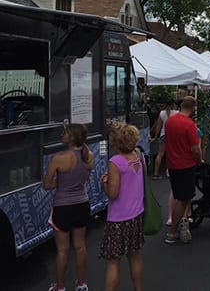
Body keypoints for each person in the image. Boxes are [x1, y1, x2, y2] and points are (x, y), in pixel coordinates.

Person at [44, 123, 93, 291]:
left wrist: (61, 182)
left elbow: (46, 185)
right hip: (82, 204)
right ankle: (81, 283)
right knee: (80, 246)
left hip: (62, 206)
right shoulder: (89, 156)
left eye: (65, 132)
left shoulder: (58, 158)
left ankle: (60, 286)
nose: (62, 134)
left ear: (71, 137)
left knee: (62, 250)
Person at [99, 122, 143, 291]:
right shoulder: (137, 156)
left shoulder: (115, 161)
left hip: (118, 218)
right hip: (136, 214)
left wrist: (104, 183)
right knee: (134, 255)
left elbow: (113, 193)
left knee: (113, 261)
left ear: (116, 141)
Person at [164, 96, 202, 245]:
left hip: (173, 163)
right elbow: (195, 149)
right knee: (183, 198)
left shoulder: (170, 121)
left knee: (180, 195)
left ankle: (182, 223)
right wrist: (199, 160)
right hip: (185, 164)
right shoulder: (189, 124)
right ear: (193, 108)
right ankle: (172, 232)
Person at [151, 99, 179, 179]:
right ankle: (168, 171)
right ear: (174, 104)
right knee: (171, 154)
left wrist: (156, 136)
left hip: (163, 135)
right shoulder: (177, 113)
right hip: (173, 135)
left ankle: (155, 173)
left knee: (160, 154)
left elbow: (158, 126)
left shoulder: (162, 113)